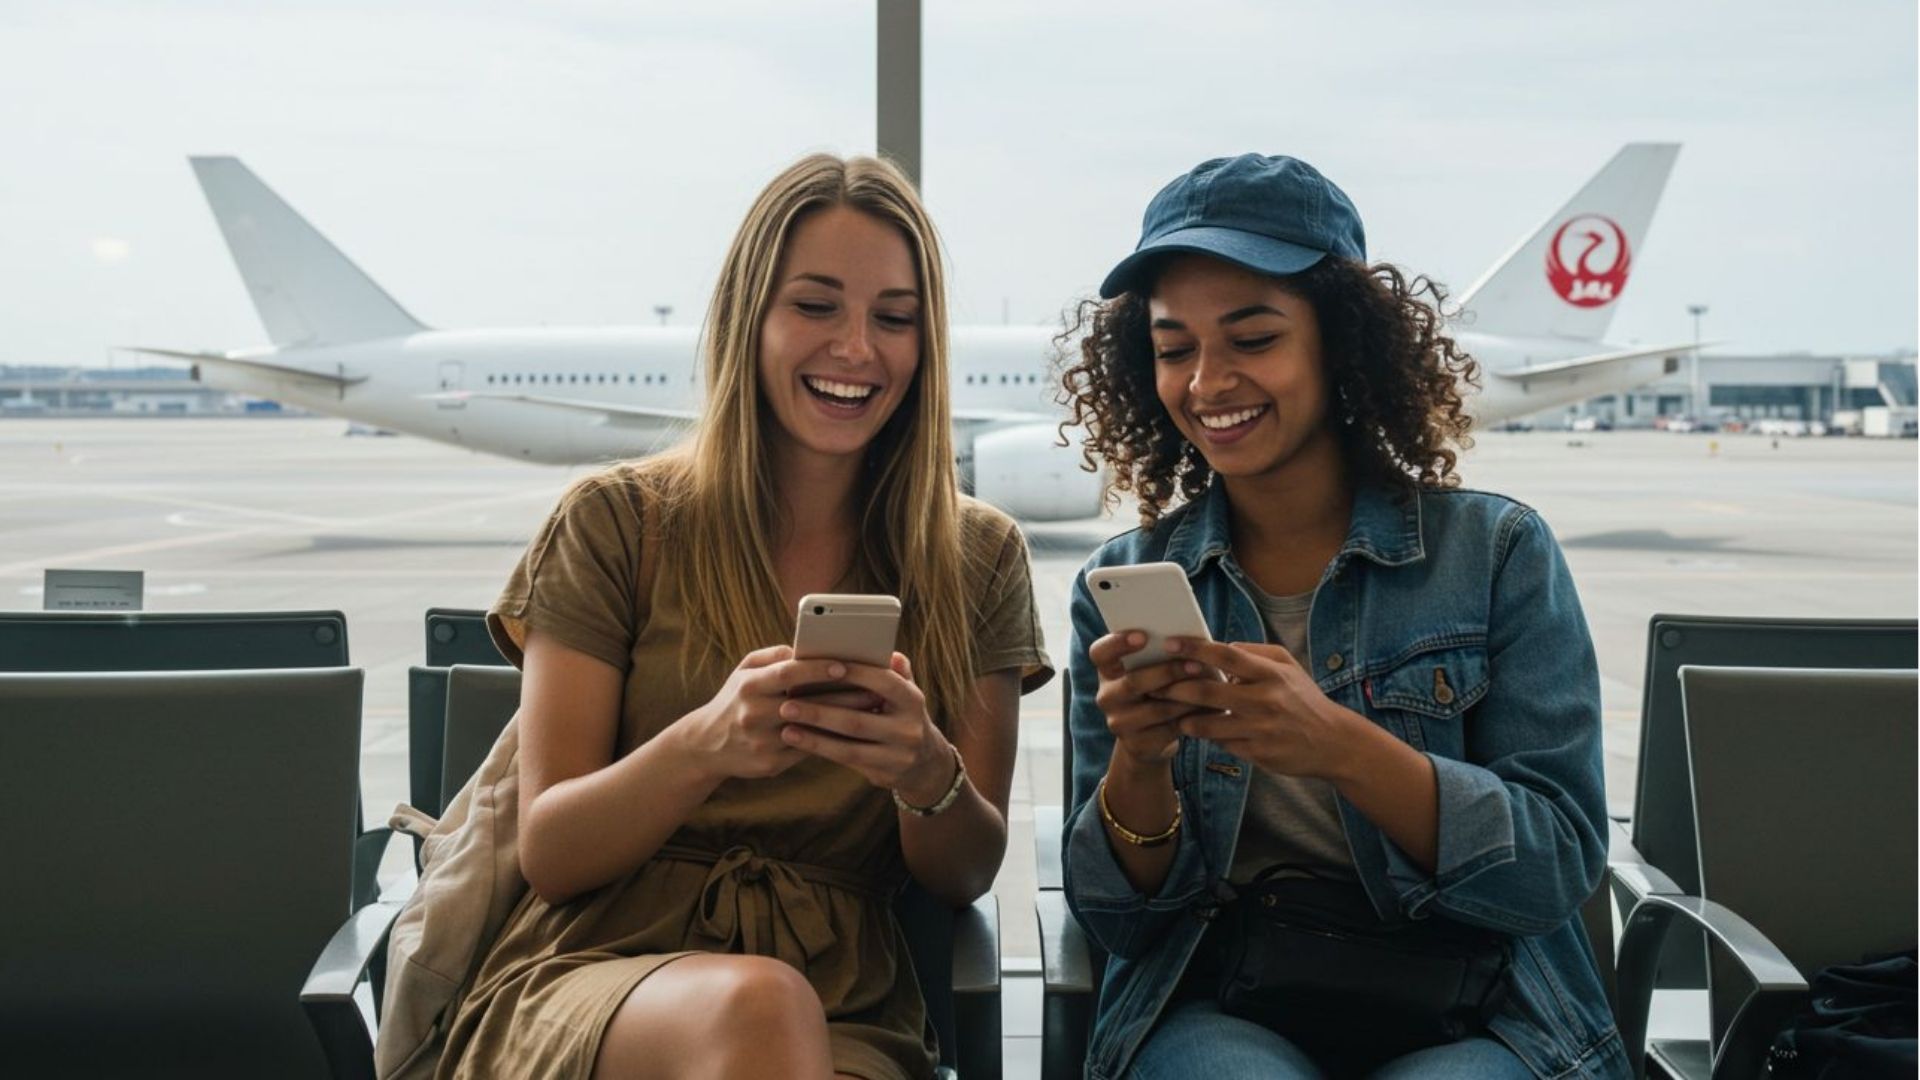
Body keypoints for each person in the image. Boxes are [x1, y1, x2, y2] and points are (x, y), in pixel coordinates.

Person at [439, 154, 1052, 1080]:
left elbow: (962, 876)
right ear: (749, 318)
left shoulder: (977, 556)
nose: (857, 347)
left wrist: (926, 772)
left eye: (894, 317)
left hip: (843, 997)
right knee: (759, 1008)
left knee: (774, 1014)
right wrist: (706, 745)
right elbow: (553, 853)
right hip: (594, 978)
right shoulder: (618, 522)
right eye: (815, 306)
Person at [1055, 154, 1624, 1080]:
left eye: (1253, 338)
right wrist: (1141, 761)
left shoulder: (1497, 554)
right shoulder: (1121, 582)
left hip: (1481, 1001)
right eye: (1173, 349)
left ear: (1343, 343)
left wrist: (1340, 747)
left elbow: (1555, 867)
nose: (1207, 382)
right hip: (1221, 996)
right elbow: (1122, 922)